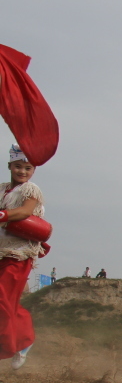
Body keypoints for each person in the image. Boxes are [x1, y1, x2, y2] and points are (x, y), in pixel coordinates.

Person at [0, 145, 47, 369]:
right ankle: (21, 341)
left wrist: (3, 214)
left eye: (27, 168)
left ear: (33, 170)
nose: (22, 172)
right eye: (18, 167)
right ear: (10, 165)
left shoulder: (31, 190)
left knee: (3, 301)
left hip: (19, 255)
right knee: (7, 301)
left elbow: (25, 212)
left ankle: (23, 341)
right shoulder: (2, 189)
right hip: (1, 252)